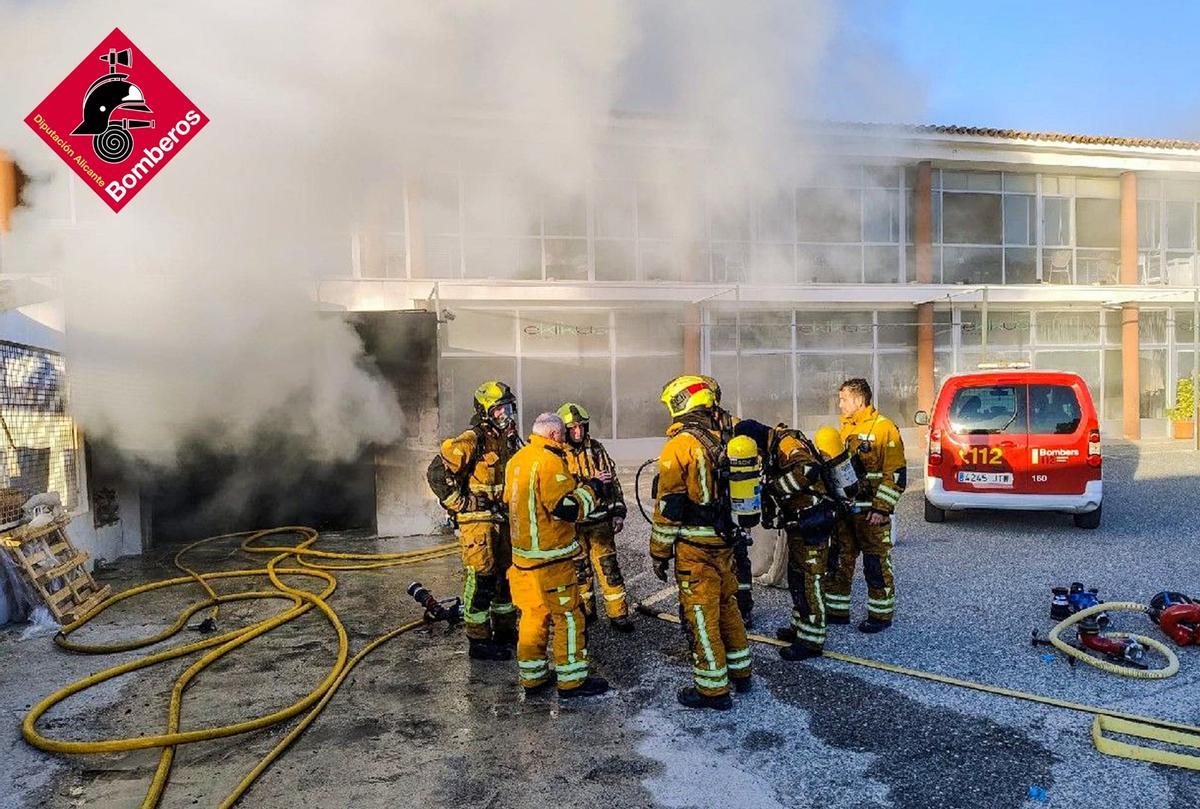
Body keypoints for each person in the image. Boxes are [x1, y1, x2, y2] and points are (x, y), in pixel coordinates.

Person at [650, 375, 752, 711]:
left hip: (695, 548)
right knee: (728, 607)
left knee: (701, 616)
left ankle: (713, 690)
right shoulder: (724, 434)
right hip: (724, 543)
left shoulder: (679, 445)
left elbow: (669, 507)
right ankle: (741, 673)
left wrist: (659, 553)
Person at [506, 412, 612, 698]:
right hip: (551, 560)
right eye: (563, 434)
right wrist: (594, 489)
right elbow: (566, 508)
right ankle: (572, 681)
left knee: (532, 618)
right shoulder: (550, 462)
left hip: (523, 562)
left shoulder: (517, 460)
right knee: (568, 616)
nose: (566, 438)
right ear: (553, 435)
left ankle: (533, 678)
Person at [734, 420, 842, 660]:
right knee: (796, 575)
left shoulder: (786, 444)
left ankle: (812, 641)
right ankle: (799, 627)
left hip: (813, 519)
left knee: (809, 579)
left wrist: (774, 489)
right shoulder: (776, 445)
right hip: (800, 522)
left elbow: (808, 470)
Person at [430, 381, 521, 660]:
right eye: (498, 410)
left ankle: (505, 632)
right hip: (478, 525)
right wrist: (460, 503)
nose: (505, 415)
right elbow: (436, 473)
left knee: (506, 578)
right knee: (481, 582)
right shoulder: (472, 440)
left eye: (507, 408)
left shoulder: (505, 440)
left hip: (502, 522)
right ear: (485, 412)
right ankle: (479, 641)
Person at [824, 378, 906, 633]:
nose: (840, 404)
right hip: (846, 511)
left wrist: (881, 509)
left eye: (844, 399)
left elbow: (896, 474)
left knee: (875, 565)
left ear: (859, 401)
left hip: (871, 513)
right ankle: (837, 612)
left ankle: (880, 616)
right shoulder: (844, 431)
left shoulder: (884, 429)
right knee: (838, 561)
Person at [556, 402, 634, 632]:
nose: (578, 432)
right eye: (572, 428)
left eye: (581, 427)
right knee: (580, 573)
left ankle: (618, 616)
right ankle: (586, 613)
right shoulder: (558, 455)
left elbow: (614, 483)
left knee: (609, 569)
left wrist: (618, 513)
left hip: (600, 523)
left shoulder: (597, 449)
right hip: (574, 525)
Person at [700, 376, 754, 626]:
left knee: (734, 558)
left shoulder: (729, 426)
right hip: (722, 505)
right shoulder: (729, 424)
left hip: (726, 504)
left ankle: (740, 608)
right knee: (728, 558)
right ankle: (733, 609)